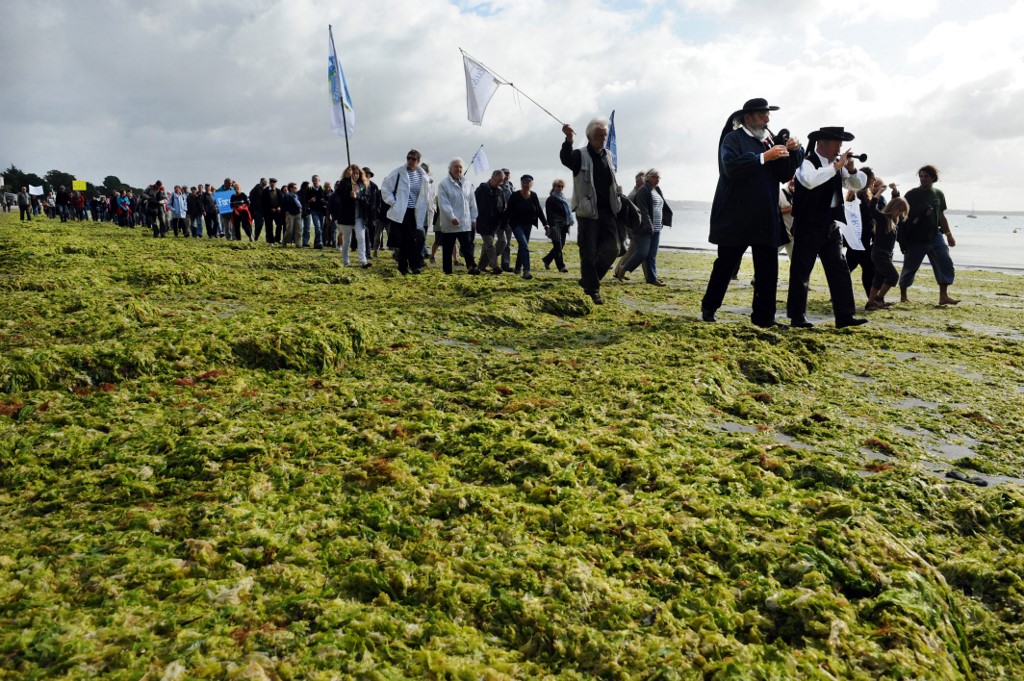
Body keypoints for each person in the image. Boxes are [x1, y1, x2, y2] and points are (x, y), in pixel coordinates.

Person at [701, 98, 804, 325]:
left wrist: (795, 150)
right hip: (736, 216)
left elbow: (784, 175)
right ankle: (709, 307)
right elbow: (730, 168)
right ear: (747, 118)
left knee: (768, 270)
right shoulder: (733, 139)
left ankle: (764, 318)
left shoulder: (769, 141)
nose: (767, 119)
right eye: (761, 115)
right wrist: (764, 157)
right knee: (726, 265)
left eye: (768, 115)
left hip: (765, 216)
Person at [786, 126, 868, 328]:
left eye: (841, 144)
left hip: (831, 225)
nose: (840, 148)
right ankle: (797, 317)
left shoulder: (836, 165)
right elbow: (810, 181)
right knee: (801, 271)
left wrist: (851, 169)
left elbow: (856, 185)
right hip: (808, 224)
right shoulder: (807, 162)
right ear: (822, 143)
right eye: (836, 143)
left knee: (839, 269)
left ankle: (845, 316)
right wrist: (835, 167)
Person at [559, 116, 624, 304]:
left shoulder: (608, 155)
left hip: (608, 210)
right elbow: (566, 159)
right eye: (599, 135)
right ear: (589, 136)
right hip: (587, 212)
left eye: (604, 135)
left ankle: (588, 279)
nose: (603, 138)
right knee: (588, 252)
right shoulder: (580, 155)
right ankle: (592, 290)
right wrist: (569, 139)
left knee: (613, 249)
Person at [899, 165, 958, 305]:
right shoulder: (911, 194)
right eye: (921, 176)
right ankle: (903, 296)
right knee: (910, 266)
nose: (923, 179)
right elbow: (902, 215)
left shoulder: (938, 194)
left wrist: (949, 235)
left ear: (933, 178)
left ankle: (943, 296)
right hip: (916, 237)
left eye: (926, 176)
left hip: (935, 236)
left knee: (945, 262)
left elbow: (941, 216)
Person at [381, 149, 433, 275]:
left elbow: (428, 194)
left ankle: (402, 266)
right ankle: (415, 265)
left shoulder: (423, 176)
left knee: (409, 239)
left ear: (418, 161)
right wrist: (393, 202)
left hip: (416, 211)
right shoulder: (399, 172)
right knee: (409, 238)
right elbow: (385, 188)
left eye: (413, 159)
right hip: (403, 210)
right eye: (408, 158)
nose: (410, 161)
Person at [617, 169, 672, 286]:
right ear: (648, 177)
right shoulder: (643, 190)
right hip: (643, 228)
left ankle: (652, 279)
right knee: (642, 253)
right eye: (655, 177)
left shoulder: (657, 190)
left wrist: (663, 220)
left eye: (659, 177)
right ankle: (623, 268)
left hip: (657, 228)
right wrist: (649, 225)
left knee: (651, 256)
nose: (657, 180)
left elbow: (660, 207)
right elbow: (643, 210)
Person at [436, 158, 480, 275]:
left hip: (465, 222)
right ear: (450, 169)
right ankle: (447, 270)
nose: (458, 169)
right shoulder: (444, 184)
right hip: (450, 223)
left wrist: (473, 218)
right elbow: (444, 203)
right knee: (448, 248)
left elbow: (472, 202)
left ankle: (471, 267)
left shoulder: (467, 183)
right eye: (455, 166)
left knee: (467, 247)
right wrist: (452, 217)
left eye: (460, 167)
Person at [866, 197, 909, 310]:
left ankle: (870, 303)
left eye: (902, 211)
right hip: (879, 254)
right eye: (899, 210)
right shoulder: (882, 218)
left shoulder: (894, 221)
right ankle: (879, 299)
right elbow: (872, 208)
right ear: (893, 207)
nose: (900, 213)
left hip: (886, 254)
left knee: (879, 278)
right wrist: (878, 194)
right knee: (893, 276)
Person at [504, 174, 547, 279]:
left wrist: (545, 224)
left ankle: (517, 268)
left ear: (531, 184)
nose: (526, 184)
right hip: (516, 225)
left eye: (528, 182)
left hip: (528, 225)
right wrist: (502, 225)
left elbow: (539, 211)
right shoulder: (515, 195)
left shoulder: (534, 195)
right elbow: (508, 211)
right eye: (524, 182)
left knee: (522, 246)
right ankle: (526, 271)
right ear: (521, 183)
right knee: (524, 245)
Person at [331, 165, 372, 267]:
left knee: (361, 237)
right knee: (347, 240)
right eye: (353, 173)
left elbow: (367, 200)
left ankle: (363, 261)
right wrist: (346, 178)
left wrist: (357, 196)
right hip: (346, 217)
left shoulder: (363, 185)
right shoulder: (344, 184)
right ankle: (346, 261)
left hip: (359, 217)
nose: (355, 175)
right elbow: (339, 193)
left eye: (357, 173)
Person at [475, 170, 507, 275]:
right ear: (492, 178)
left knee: (500, 243)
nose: (499, 183)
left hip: (495, 223)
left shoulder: (500, 191)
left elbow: (503, 208)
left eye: (501, 181)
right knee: (489, 244)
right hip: (482, 222)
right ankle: (495, 266)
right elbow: (473, 205)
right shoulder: (481, 190)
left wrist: (503, 224)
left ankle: (481, 266)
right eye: (498, 181)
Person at [543, 179, 572, 273]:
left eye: (562, 187)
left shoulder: (563, 198)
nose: (560, 188)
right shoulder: (551, 199)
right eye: (558, 186)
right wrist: (551, 226)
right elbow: (549, 214)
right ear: (554, 187)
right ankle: (561, 267)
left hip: (564, 224)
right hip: (555, 225)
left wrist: (568, 223)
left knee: (561, 245)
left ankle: (547, 259)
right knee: (557, 246)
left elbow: (567, 212)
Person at [495, 168, 515, 272]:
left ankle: (505, 264)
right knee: (502, 241)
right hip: (499, 219)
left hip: (510, 219)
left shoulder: (510, 186)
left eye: (508, 174)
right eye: (505, 174)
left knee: (508, 244)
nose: (506, 176)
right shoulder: (497, 186)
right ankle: (491, 258)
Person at [305, 175, 327, 249]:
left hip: (322, 211)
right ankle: (319, 242)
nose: (315, 181)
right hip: (314, 210)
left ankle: (316, 244)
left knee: (320, 228)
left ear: (319, 180)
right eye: (313, 180)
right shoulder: (309, 189)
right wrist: (310, 200)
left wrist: (324, 201)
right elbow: (306, 201)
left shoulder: (323, 189)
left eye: (316, 180)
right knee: (317, 226)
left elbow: (327, 200)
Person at [262, 178, 285, 245]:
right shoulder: (265, 191)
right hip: (268, 212)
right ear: (269, 183)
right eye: (271, 182)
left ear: (276, 183)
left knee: (279, 224)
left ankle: (277, 239)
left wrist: (279, 207)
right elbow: (263, 202)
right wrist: (270, 208)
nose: (273, 184)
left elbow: (281, 201)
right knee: (269, 226)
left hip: (277, 211)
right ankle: (271, 241)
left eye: (274, 182)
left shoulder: (279, 191)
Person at [282, 182, 303, 247]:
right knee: (289, 230)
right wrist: (286, 211)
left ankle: (298, 243)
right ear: (291, 188)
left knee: (298, 229)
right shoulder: (286, 195)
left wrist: (301, 210)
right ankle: (285, 241)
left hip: (298, 214)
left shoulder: (297, 196)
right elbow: (283, 204)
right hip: (290, 214)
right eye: (295, 188)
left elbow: (299, 204)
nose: (296, 189)